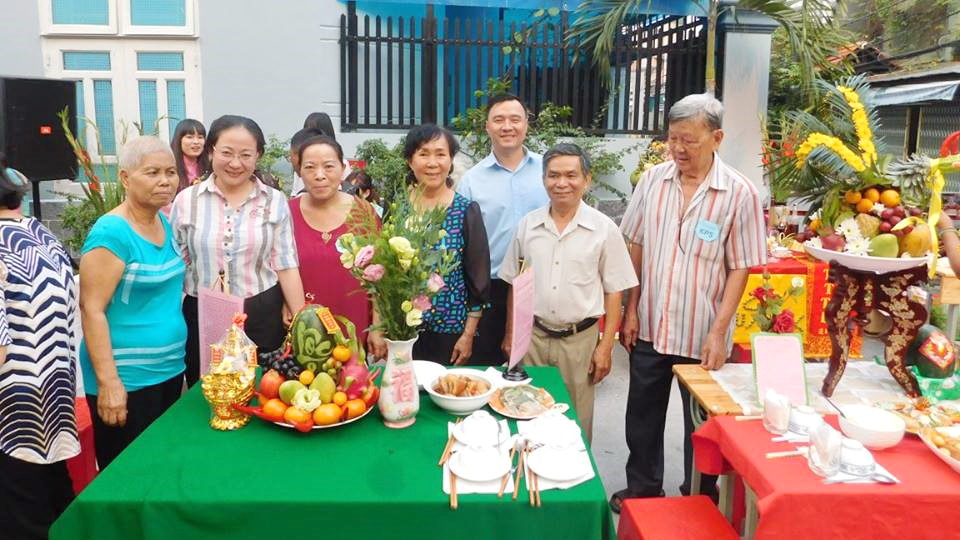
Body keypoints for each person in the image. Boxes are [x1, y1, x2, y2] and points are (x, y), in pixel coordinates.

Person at [611, 93, 766, 512]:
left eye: (689, 140)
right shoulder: (652, 181)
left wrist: (718, 332)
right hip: (650, 325)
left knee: (701, 425)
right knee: (641, 415)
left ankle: (698, 497)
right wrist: (630, 309)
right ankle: (643, 489)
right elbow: (636, 244)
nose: (678, 149)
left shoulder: (739, 193)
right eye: (673, 139)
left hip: (702, 333)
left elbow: (741, 267)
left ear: (717, 138)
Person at [499, 143, 637, 442]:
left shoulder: (603, 229)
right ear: (544, 180)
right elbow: (515, 284)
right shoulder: (528, 226)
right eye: (553, 175)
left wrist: (605, 347)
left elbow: (615, 292)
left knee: (575, 423)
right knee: (527, 415)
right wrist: (511, 334)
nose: (562, 183)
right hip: (533, 339)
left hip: (580, 342)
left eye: (571, 175)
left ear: (586, 179)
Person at [78, 136, 188, 469]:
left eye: (171, 172)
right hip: (128, 380)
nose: (165, 181)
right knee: (128, 474)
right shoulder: (112, 233)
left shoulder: (161, 221)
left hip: (169, 372)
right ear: (125, 178)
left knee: (161, 469)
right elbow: (92, 309)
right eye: (152, 172)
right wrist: (109, 383)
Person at [171, 115, 305, 387]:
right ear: (211, 151)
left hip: (261, 310)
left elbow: (286, 263)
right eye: (227, 153)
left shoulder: (274, 201)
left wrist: (302, 321)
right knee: (208, 391)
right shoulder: (187, 201)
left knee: (265, 389)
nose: (235, 163)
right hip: (203, 311)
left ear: (258, 156)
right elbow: (175, 263)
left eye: (245, 155)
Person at [0, 157, 79, 540]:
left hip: (10, 409)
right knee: (56, 503)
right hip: (53, 391)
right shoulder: (40, 233)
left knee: (21, 518)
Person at [457, 94, 549, 365]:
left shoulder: (549, 171)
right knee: (489, 369)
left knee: (538, 374)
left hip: (544, 286)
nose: (507, 126)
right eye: (499, 120)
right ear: (487, 127)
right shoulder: (471, 181)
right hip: (492, 288)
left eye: (515, 119)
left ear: (526, 124)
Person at [289, 135, 385, 357]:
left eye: (328, 166)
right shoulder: (286, 213)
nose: (319, 175)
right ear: (299, 171)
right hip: (303, 327)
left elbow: (380, 274)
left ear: (342, 169)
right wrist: (286, 303)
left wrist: (378, 328)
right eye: (310, 167)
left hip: (354, 322)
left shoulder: (364, 212)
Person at [405, 124, 491, 365]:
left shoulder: (466, 210)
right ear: (410, 161)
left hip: (451, 331)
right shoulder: (399, 208)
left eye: (440, 154)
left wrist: (468, 335)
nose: (432, 163)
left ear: (450, 160)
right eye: (423, 154)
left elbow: (478, 279)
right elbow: (385, 271)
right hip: (403, 329)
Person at [170, 118, 209, 191]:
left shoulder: (209, 167)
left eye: (200, 137)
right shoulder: (170, 166)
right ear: (179, 140)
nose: (196, 142)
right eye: (189, 137)